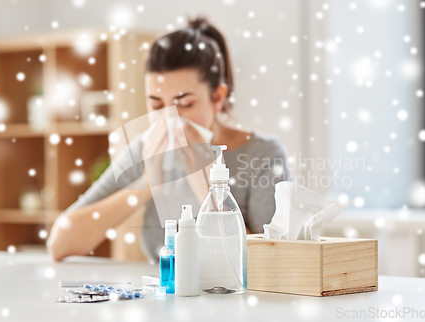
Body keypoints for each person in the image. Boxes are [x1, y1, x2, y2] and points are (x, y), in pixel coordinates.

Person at [47, 17, 291, 263]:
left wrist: (206, 183)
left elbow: (272, 262)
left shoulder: (262, 155)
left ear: (217, 96)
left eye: (184, 103)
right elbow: (59, 244)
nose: (169, 117)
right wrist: (147, 184)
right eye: (156, 104)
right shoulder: (147, 148)